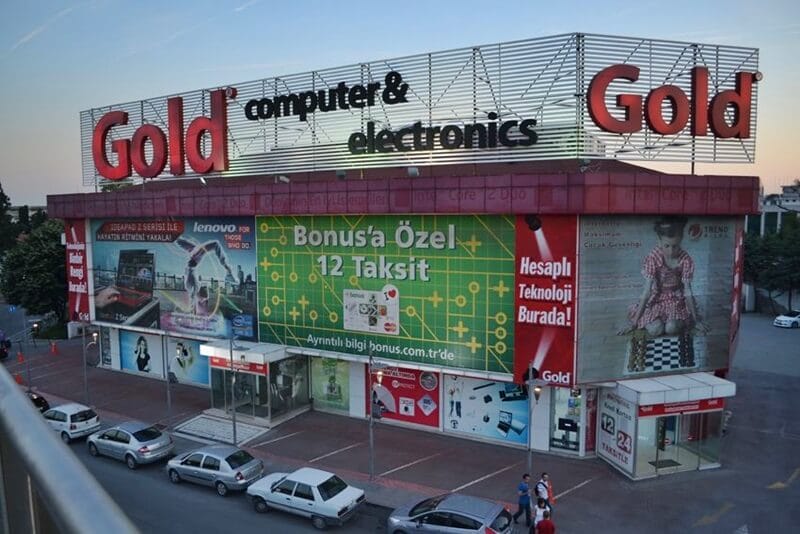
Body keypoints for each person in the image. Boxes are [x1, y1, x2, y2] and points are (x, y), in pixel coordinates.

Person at [618, 216, 707, 338]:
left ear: (681, 241)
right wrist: (634, 323)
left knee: (671, 328)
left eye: (675, 246)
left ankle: (674, 321)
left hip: (676, 300)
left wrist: (696, 320)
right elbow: (647, 292)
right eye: (666, 246)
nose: (671, 251)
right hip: (657, 299)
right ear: (659, 242)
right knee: (655, 329)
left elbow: (687, 291)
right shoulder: (653, 257)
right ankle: (656, 321)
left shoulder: (685, 259)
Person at [175, 237, 235, 315]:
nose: (202, 301)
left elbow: (193, 299)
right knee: (213, 244)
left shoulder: (193, 288)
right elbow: (193, 299)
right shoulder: (194, 287)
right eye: (203, 300)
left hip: (193, 262)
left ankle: (228, 269)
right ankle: (228, 269)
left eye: (202, 300)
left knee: (213, 244)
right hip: (193, 262)